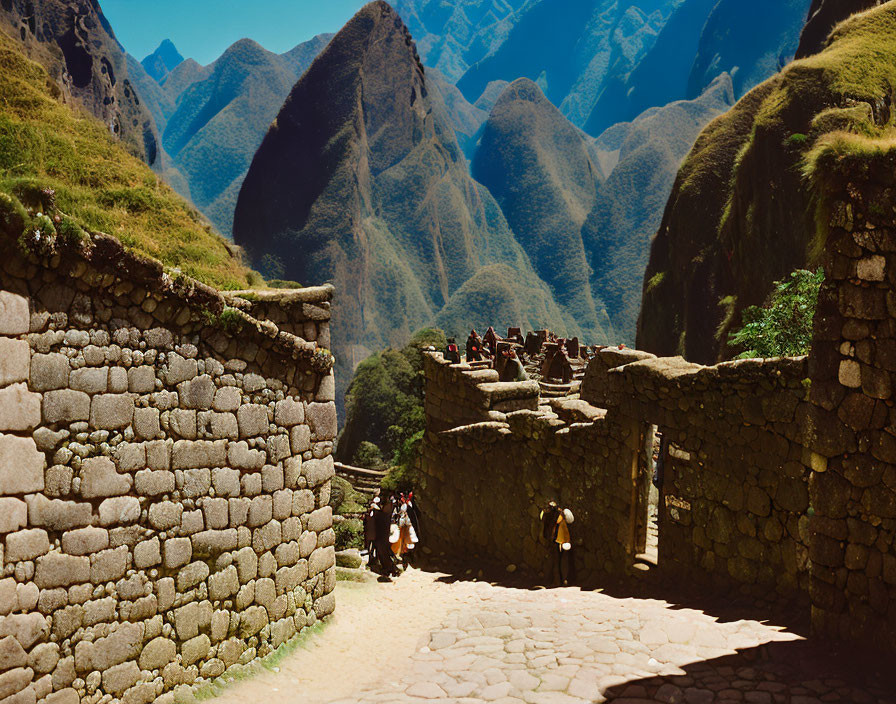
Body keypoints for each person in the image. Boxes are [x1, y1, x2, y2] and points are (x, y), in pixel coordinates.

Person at [540, 501, 575, 586]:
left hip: (557, 541)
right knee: (562, 560)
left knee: (557, 561)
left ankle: (558, 580)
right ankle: (562, 580)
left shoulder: (551, 517)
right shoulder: (560, 516)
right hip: (561, 541)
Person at [370, 494, 398, 580]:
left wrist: (375, 510)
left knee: (384, 552)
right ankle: (388, 569)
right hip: (380, 534)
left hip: (382, 535)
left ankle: (389, 569)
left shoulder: (386, 510)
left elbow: (382, 515)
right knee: (382, 552)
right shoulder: (385, 510)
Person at [391, 492, 420, 561]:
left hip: (406, 525)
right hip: (405, 525)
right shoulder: (407, 506)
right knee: (402, 540)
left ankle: (405, 554)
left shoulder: (406, 507)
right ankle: (402, 554)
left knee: (406, 540)